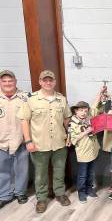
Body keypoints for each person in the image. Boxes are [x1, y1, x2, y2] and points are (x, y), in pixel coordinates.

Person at [18, 70, 72, 213]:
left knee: (59, 171)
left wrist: (70, 136)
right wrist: (28, 141)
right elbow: (24, 121)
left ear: (54, 82)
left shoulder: (61, 99)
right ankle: (41, 198)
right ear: (40, 82)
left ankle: (60, 193)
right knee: (40, 174)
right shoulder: (31, 99)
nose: (48, 83)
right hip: (39, 144)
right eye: (45, 80)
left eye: (50, 80)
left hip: (60, 143)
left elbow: (67, 119)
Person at [0, 70, 29, 208]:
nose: (7, 83)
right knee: (2, 169)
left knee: (21, 168)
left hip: (20, 139)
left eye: (10, 80)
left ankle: (20, 192)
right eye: (4, 81)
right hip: (1, 141)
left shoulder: (25, 97)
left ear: (15, 81)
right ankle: (4, 194)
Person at [69, 101, 100, 204]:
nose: (83, 113)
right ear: (76, 111)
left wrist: (100, 93)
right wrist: (86, 131)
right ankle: (81, 192)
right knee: (82, 174)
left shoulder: (89, 119)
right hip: (83, 152)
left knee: (91, 172)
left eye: (85, 111)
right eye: (81, 110)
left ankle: (89, 188)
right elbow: (73, 139)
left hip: (93, 149)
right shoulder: (72, 123)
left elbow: (95, 105)